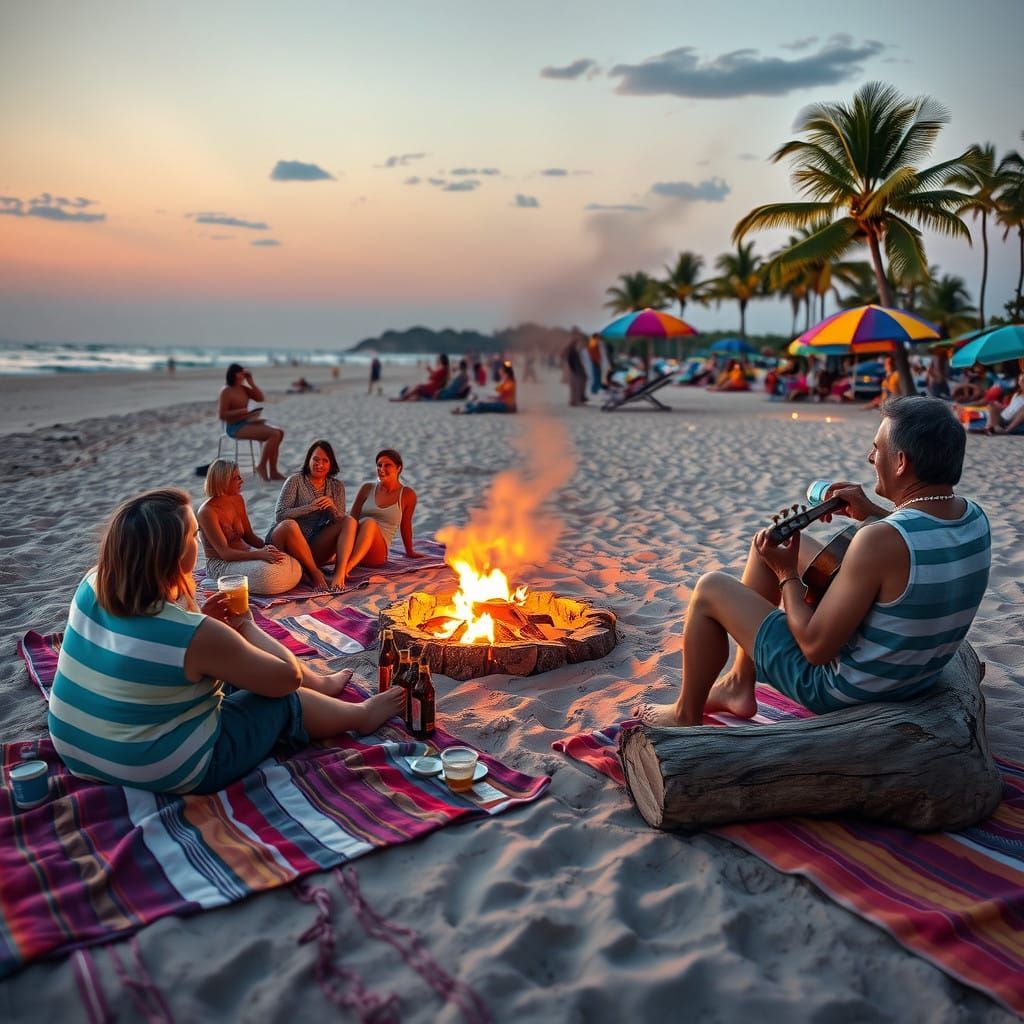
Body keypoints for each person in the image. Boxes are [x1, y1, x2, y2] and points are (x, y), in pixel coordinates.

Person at [635, 396, 990, 726]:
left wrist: (786, 572)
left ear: (900, 462)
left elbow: (815, 648)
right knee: (770, 540)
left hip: (846, 691)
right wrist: (872, 513)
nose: (870, 457)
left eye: (877, 448)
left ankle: (685, 712)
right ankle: (740, 684)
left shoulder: (881, 539)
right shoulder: (973, 517)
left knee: (711, 587)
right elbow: (917, 539)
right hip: (914, 676)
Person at [47, 489, 404, 795]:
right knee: (280, 703)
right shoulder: (194, 634)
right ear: (174, 555)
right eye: (193, 535)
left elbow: (148, 647)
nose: (199, 540)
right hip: (169, 767)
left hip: (76, 748)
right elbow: (286, 680)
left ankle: (324, 684)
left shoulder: (92, 583)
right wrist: (245, 625)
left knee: (228, 669)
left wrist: (207, 631)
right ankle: (361, 714)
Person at [198, 460, 305, 594]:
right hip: (221, 564)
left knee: (293, 565)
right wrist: (258, 554)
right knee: (269, 576)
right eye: (236, 478)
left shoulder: (237, 499)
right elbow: (225, 553)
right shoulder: (207, 512)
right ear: (223, 481)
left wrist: (266, 548)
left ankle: (236, 584)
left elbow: (249, 536)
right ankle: (217, 582)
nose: (241, 480)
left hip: (247, 553)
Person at [269, 439, 353, 591]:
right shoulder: (295, 480)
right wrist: (309, 507)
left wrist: (332, 507)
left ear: (331, 464)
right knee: (290, 525)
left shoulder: (336, 486)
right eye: (315, 459)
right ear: (308, 460)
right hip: (285, 540)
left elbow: (339, 520)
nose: (319, 464)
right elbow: (280, 515)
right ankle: (315, 575)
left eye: (325, 461)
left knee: (349, 520)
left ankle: (339, 574)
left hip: (313, 545)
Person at [334, 448, 424, 582]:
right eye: (379, 465)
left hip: (376, 553)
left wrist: (409, 551)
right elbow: (352, 519)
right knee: (354, 523)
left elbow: (405, 525)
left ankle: (345, 570)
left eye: (387, 465)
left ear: (398, 468)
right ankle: (335, 564)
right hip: (354, 545)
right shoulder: (367, 488)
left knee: (369, 522)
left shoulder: (407, 495)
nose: (381, 469)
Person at [217, 363, 285, 481]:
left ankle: (273, 471)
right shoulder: (226, 391)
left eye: (244, 373)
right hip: (234, 427)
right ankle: (261, 466)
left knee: (280, 432)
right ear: (233, 374)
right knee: (274, 434)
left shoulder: (243, 388)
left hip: (247, 422)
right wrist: (244, 411)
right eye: (241, 373)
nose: (243, 375)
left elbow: (260, 398)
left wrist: (251, 382)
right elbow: (222, 415)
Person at [984, 370, 1024, 434]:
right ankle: (989, 427)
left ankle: (1006, 430)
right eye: (1021, 381)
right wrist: (1000, 407)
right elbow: (1011, 407)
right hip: (1003, 417)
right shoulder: (1017, 394)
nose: (1022, 383)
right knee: (992, 404)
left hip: (1013, 420)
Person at [563, 330, 588, 406]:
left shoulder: (572, 348)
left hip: (575, 369)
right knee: (576, 385)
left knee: (576, 385)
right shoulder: (572, 348)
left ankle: (575, 400)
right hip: (576, 369)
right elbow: (571, 359)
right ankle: (576, 401)